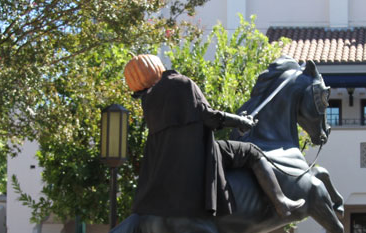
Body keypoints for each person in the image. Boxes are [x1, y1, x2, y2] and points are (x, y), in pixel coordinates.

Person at [124, 54, 305, 220]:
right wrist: (240, 121)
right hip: (196, 154)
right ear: (157, 67)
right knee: (252, 151)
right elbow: (208, 116)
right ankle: (282, 203)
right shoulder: (180, 83)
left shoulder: (148, 100)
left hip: (169, 163)